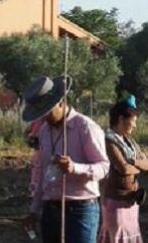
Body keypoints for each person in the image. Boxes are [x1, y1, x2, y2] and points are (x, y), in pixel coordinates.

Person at [22, 76, 108, 243]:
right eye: (40, 115)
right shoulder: (44, 131)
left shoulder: (85, 127)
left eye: (47, 113)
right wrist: (34, 210)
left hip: (80, 210)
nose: (44, 119)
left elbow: (104, 167)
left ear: (61, 103)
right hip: (50, 209)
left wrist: (74, 168)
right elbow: (42, 174)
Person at [99, 94, 148, 243]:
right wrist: (138, 163)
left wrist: (134, 162)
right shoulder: (109, 142)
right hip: (115, 203)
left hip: (131, 202)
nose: (134, 125)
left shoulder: (130, 141)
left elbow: (146, 163)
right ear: (121, 119)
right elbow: (123, 169)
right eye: (132, 121)